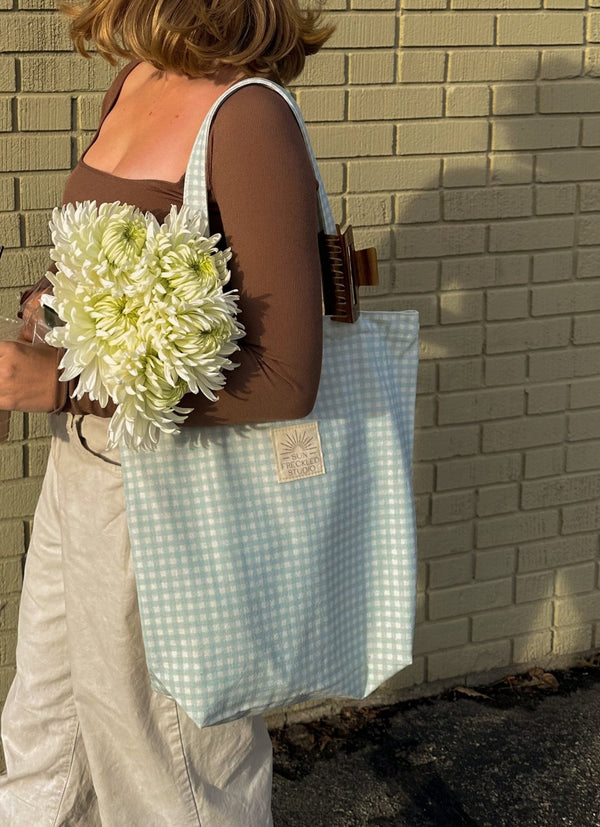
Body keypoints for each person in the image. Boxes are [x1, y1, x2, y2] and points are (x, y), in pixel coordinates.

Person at [0, 0, 332, 823]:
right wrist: (41, 316)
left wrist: (66, 383)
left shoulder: (248, 115)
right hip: (79, 474)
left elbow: (287, 378)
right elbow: (98, 261)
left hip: (169, 497)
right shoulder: (135, 80)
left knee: (172, 783)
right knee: (44, 740)